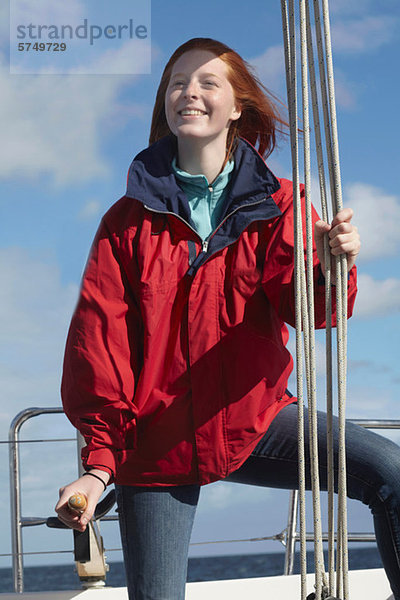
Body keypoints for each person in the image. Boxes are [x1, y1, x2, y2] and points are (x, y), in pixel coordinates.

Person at [55, 38, 400, 600]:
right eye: (176, 83)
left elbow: (310, 311)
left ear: (238, 105)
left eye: (206, 82)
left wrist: (329, 265)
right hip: (155, 442)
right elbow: (100, 349)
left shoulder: (283, 204)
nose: (188, 92)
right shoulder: (124, 222)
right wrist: (99, 467)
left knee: (392, 471)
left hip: (251, 418)